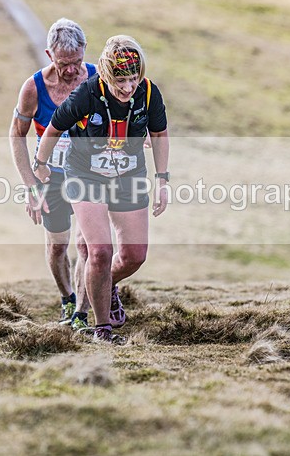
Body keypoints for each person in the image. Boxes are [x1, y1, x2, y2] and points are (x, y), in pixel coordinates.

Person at [33, 35, 170, 344]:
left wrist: (163, 181)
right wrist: (40, 164)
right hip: (85, 176)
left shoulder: (148, 94)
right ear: (107, 75)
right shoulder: (87, 93)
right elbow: (54, 127)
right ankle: (102, 328)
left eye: (134, 79)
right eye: (120, 80)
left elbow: (159, 135)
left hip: (128, 176)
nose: (128, 87)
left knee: (135, 255)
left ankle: (104, 286)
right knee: (99, 253)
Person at [10, 18, 96, 327]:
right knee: (58, 246)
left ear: (85, 51)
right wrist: (30, 186)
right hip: (51, 176)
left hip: (90, 176)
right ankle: (67, 298)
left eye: (77, 62)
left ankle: (81, 315)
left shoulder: (99, 79)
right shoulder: (33, 88)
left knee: (87, 244)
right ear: (49, 56)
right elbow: (16, 135)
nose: (71, 70)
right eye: (63, 64)